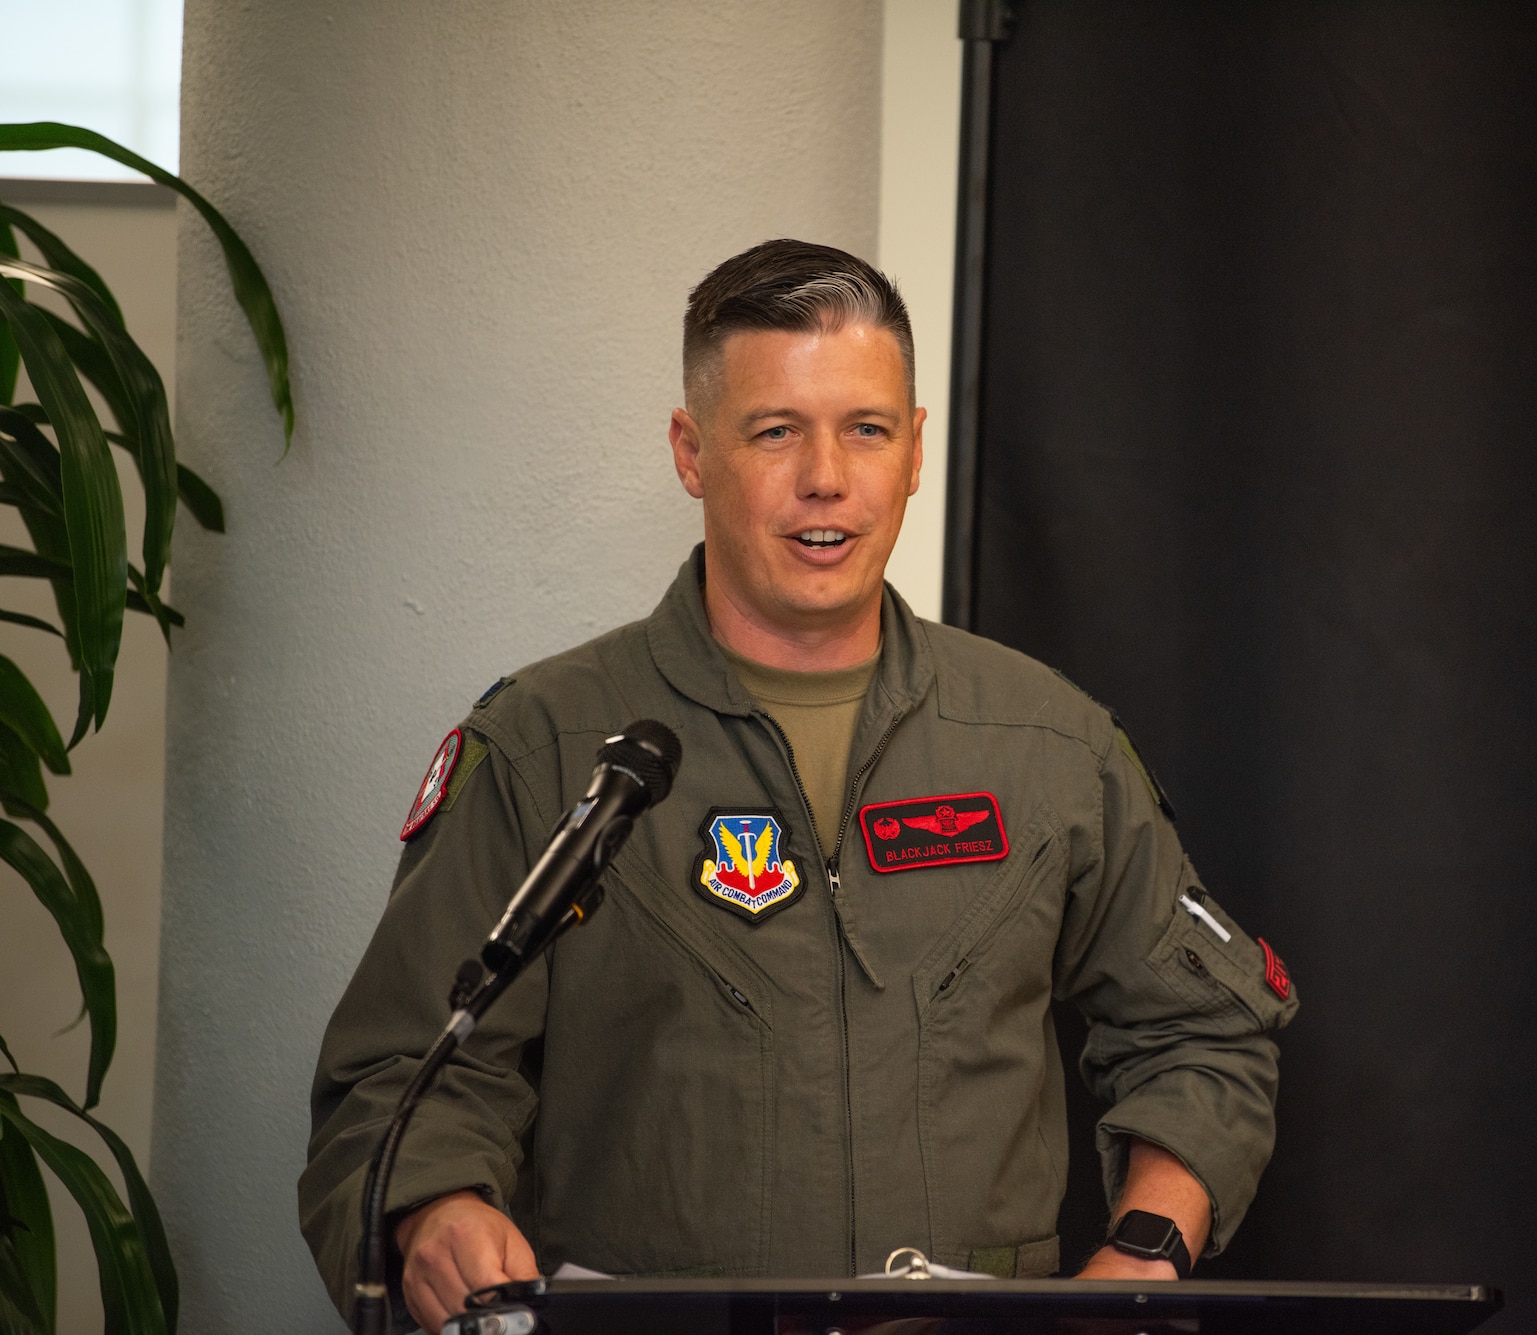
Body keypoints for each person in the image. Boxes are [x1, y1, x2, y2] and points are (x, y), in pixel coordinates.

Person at [299, 239, 1298, 1334]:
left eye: (865, 430)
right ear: (691, 452)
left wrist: (1145, 1249)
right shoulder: (549, 745)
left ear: (915, 452)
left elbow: (1202, 1031)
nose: (825, 478)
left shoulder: (1046, 745)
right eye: (774, 431)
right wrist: (432, 1206)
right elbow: (401, 1072)